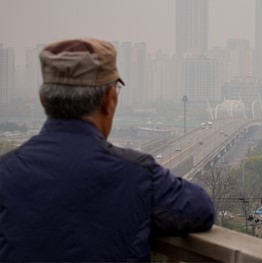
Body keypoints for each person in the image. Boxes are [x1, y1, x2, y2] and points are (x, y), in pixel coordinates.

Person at [0, 38, 215, 261]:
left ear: (43, 99)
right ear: (109, 99)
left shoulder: (5, 172)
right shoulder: (136, 174)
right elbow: (200, 209)